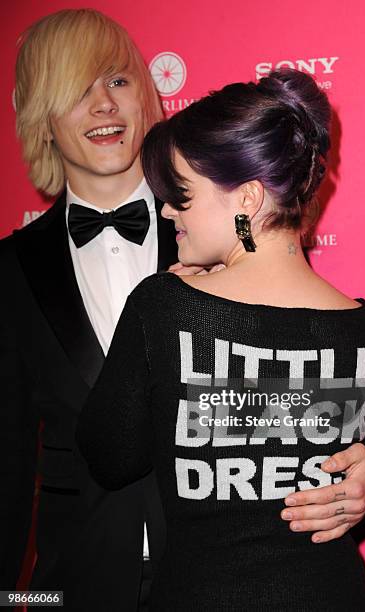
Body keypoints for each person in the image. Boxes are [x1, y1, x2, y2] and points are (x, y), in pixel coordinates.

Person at [76, 68, 365, 610]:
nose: (166, 211)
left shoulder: (163, 307)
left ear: (247, 200)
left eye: (181, 196)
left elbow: (110, 456)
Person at [0, 9, 177, 612]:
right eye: (77, 88)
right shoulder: (10, 272)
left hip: (216, 580)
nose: (104, 103)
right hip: (74, 587)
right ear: (40, 117)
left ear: (146, 100)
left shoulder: (226, 234)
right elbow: (8, 462)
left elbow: (296, 381)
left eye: (118, 81)